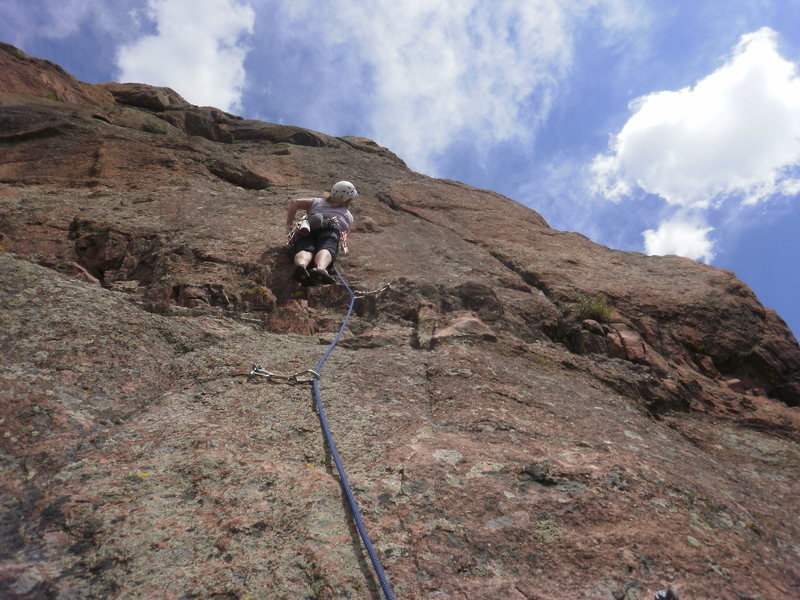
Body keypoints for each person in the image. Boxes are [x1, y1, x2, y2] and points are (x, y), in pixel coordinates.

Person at [285, 181, 357, 286]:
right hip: (331, 228)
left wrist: (288, 225)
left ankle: (301, 266)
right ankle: (320, 269)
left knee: (305, 248)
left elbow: (294, 203)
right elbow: (343, 232)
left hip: (308, 226)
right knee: (327, 247)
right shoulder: (348, 216)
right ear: (349, 200)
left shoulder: (317, 202)